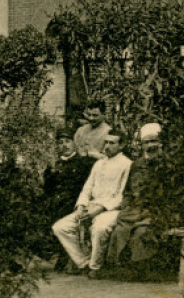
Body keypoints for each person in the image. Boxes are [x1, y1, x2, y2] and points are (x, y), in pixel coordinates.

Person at [52, 133, 132, 277]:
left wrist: (100, 209)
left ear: (121, 145)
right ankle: (83, 262)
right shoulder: (99, 163)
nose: (107, 146)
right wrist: (80, 206)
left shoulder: (127, 164)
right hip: (91, 205)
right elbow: (87, 188)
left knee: (99, 228)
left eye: (112, 143)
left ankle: (95, 267)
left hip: (112, 209)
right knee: (60, 227)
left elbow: (122, 195)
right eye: (106, 142)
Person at [108, 123, 163, 268]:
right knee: (119, 231)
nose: (151, 146)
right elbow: (127, 191)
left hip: (155, 211)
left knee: (141, 232)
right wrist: (126, 206)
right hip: (134, 211)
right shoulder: (137, 165)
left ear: (160, 143)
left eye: (154, 141)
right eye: (147, 142)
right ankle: (120, 266)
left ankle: (140, 268)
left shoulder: (166, 164)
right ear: (142, 145)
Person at [43, 127, 94, 270]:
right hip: (57, 204)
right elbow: (48, 189)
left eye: (67, 141)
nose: (64, 145)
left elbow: (88, 188)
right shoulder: (54, 166)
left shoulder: (84, 163)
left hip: (76, 203)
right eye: (60, 143)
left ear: (74, 143)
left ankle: (68, 257)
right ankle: (59, 254)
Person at [72, 100, 112, 165]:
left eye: (95, 115)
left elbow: (109, 159)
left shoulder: (109, 132)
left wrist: (91, 154)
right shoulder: (81, 130)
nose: (91, 118)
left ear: (103, 114)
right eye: (89, 115)